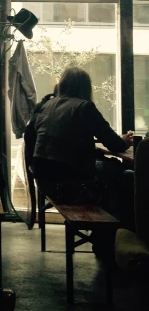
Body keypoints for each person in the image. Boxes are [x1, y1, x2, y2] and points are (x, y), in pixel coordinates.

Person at [24, 67, 133, 231]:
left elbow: (38, 141)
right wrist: (125, 141)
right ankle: (115, 233)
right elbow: (114, 144)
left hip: (44, 182)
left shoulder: (45, 106)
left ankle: (105, 235)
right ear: (86, 87)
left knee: (110, 170)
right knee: (124, 175)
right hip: (70, 186)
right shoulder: (85, 108)